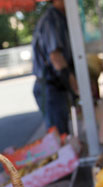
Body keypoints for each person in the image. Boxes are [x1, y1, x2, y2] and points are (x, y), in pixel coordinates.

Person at [31, 0, 79, 135]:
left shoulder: (61, 17)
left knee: (63, 133)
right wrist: (74, 87)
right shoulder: (51, 20)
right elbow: (56, 58)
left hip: (57, 86)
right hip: (50, 87)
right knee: (59, 136)